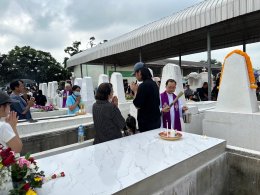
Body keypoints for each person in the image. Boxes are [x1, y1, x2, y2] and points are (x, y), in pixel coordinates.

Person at [130, 62, 161, 132]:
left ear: (139, 72)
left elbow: (137, 105)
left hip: (146, 123)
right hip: (156, 120)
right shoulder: (154, 84)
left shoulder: (143, 86)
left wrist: (135, 91)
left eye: (135, 74)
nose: (135, 76)